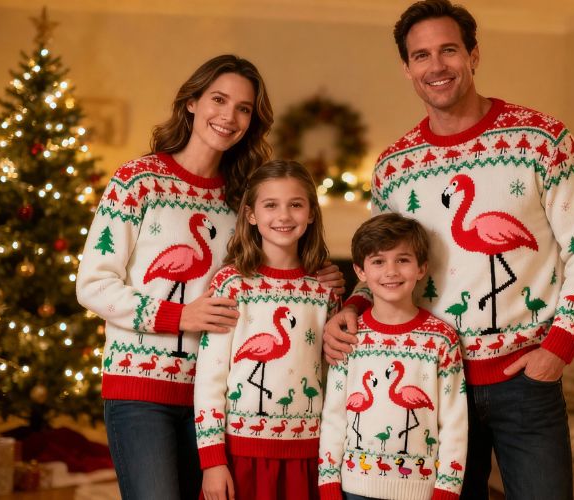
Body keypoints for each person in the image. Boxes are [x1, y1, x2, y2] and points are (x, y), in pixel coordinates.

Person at [323, 2, 574, 499]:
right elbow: (382, 263)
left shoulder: (540, 139)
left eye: (448, 50)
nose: (436, 66)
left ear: (474, 55)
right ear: (407, 68)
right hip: (431, 375)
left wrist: (558, 348)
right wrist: (351, 307)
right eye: (421, 56)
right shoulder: (394, 166)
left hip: (525, 377)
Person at [76, 56, 344, 500]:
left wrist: (318, 275)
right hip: (143, 390)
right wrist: (180, 316)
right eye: (219, 100)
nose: (229, 116)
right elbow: (93, 285)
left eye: (244, 108)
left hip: (220, 405)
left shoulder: (242, 196)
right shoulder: (138, 181)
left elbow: (264, 271)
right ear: (191, 103)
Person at [194, 159, 341, 500]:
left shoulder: (323, 290)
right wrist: (212, 461)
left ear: (311, 213)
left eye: (296, 204)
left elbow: (332, 376)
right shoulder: (232, 283)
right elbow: (210, 376)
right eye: (271, 205)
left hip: (306, 453)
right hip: (240, 451)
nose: (284, 216)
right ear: (251, 215)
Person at [318, 213, 467, 500]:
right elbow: (334, 417)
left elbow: (454, 423)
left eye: (402, 260)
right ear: (360, 272)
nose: (391, 271)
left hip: (420, 491)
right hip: (353, 489)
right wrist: (328, 485)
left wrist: (446, 491)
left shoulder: (441, 340)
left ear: (422, 268)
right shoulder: (349, 336)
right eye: (378, 261)